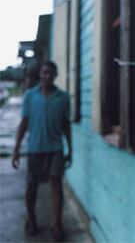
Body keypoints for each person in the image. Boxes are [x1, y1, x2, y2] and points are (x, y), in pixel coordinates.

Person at [12, 61, 72, 241]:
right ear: (40, 75)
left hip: (55, 149)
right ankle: (31, 219)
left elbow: (66, 124)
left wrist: (71, 148)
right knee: (31, 186)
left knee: (56, 185)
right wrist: (16, 149)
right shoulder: (30, 96)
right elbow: (24, 123)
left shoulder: (63, 97)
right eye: (44, 72)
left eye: (51, 73)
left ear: (55, 75)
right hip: (34, 149)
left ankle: (56, 224)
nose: (47, 76)